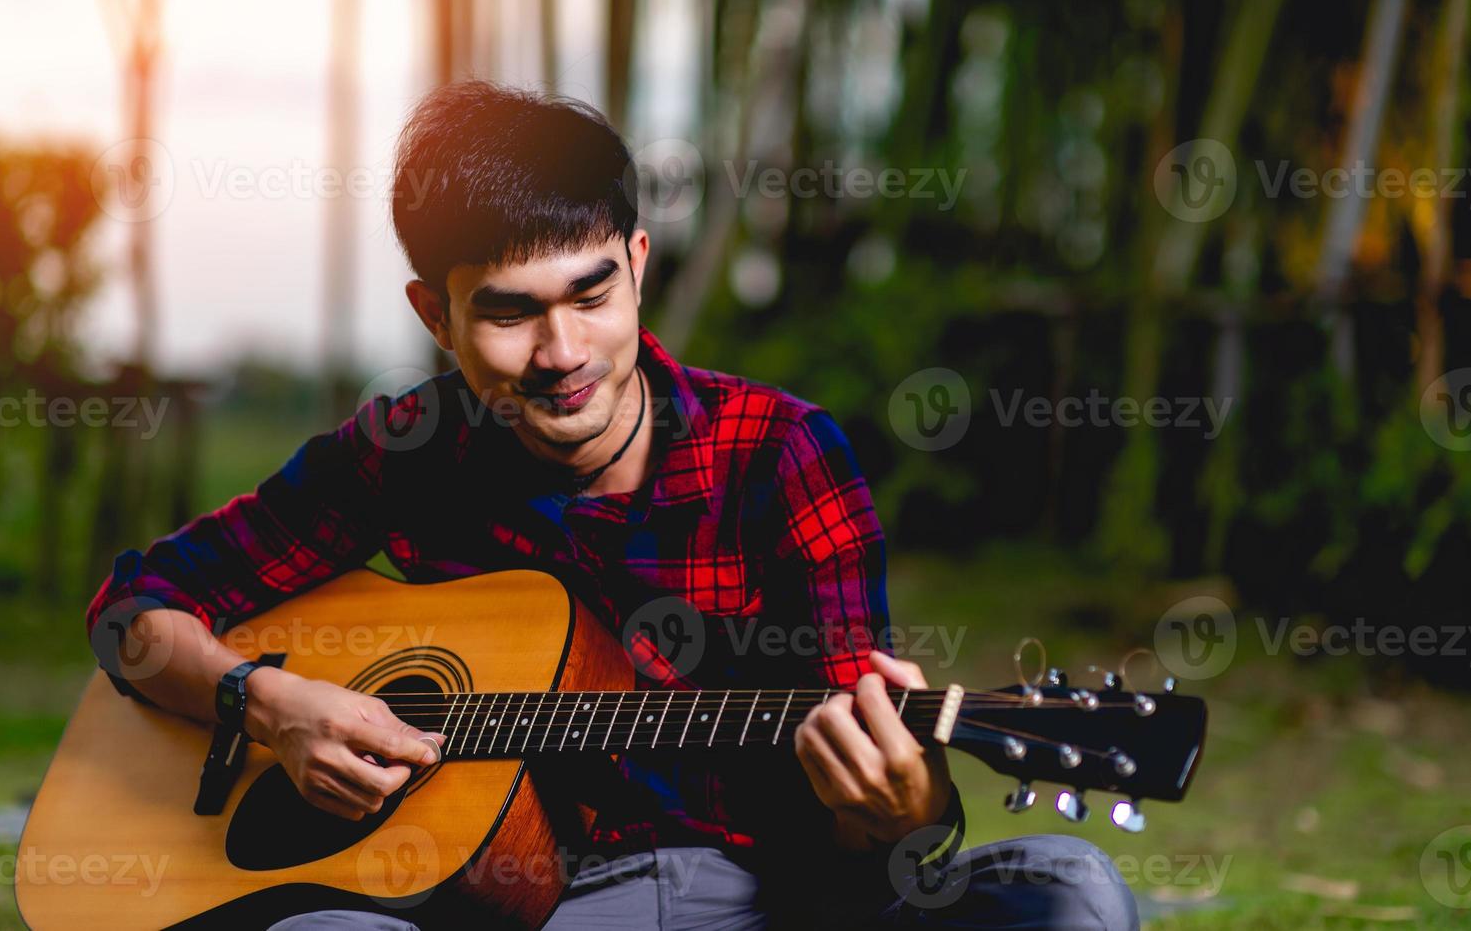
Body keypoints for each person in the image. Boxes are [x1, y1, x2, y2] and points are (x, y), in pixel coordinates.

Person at [85, 82, 1137, 930]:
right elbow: (136, 611)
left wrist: (907, 804)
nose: (563, 354)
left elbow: (869, 828)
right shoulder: (405, 451)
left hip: (766, 900)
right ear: (436, 316)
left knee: (1071, 888)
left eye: (591, 294)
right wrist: (266, 703)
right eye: (509, 313)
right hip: (503, 908)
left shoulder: (779, 451)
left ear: (638, 265)